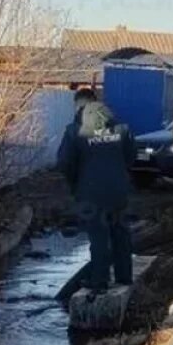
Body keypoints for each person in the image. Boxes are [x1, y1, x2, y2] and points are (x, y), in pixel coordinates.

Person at [57, 88, 135, 290]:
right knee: (121, 234)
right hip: (119, 192)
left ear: (78, 106)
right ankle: (124, 278)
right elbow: (131, 157)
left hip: (90, 194)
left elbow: (64, 163)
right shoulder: (121, 128)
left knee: (99, 237)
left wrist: (76, 183)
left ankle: (99, 282)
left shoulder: (75, 131)